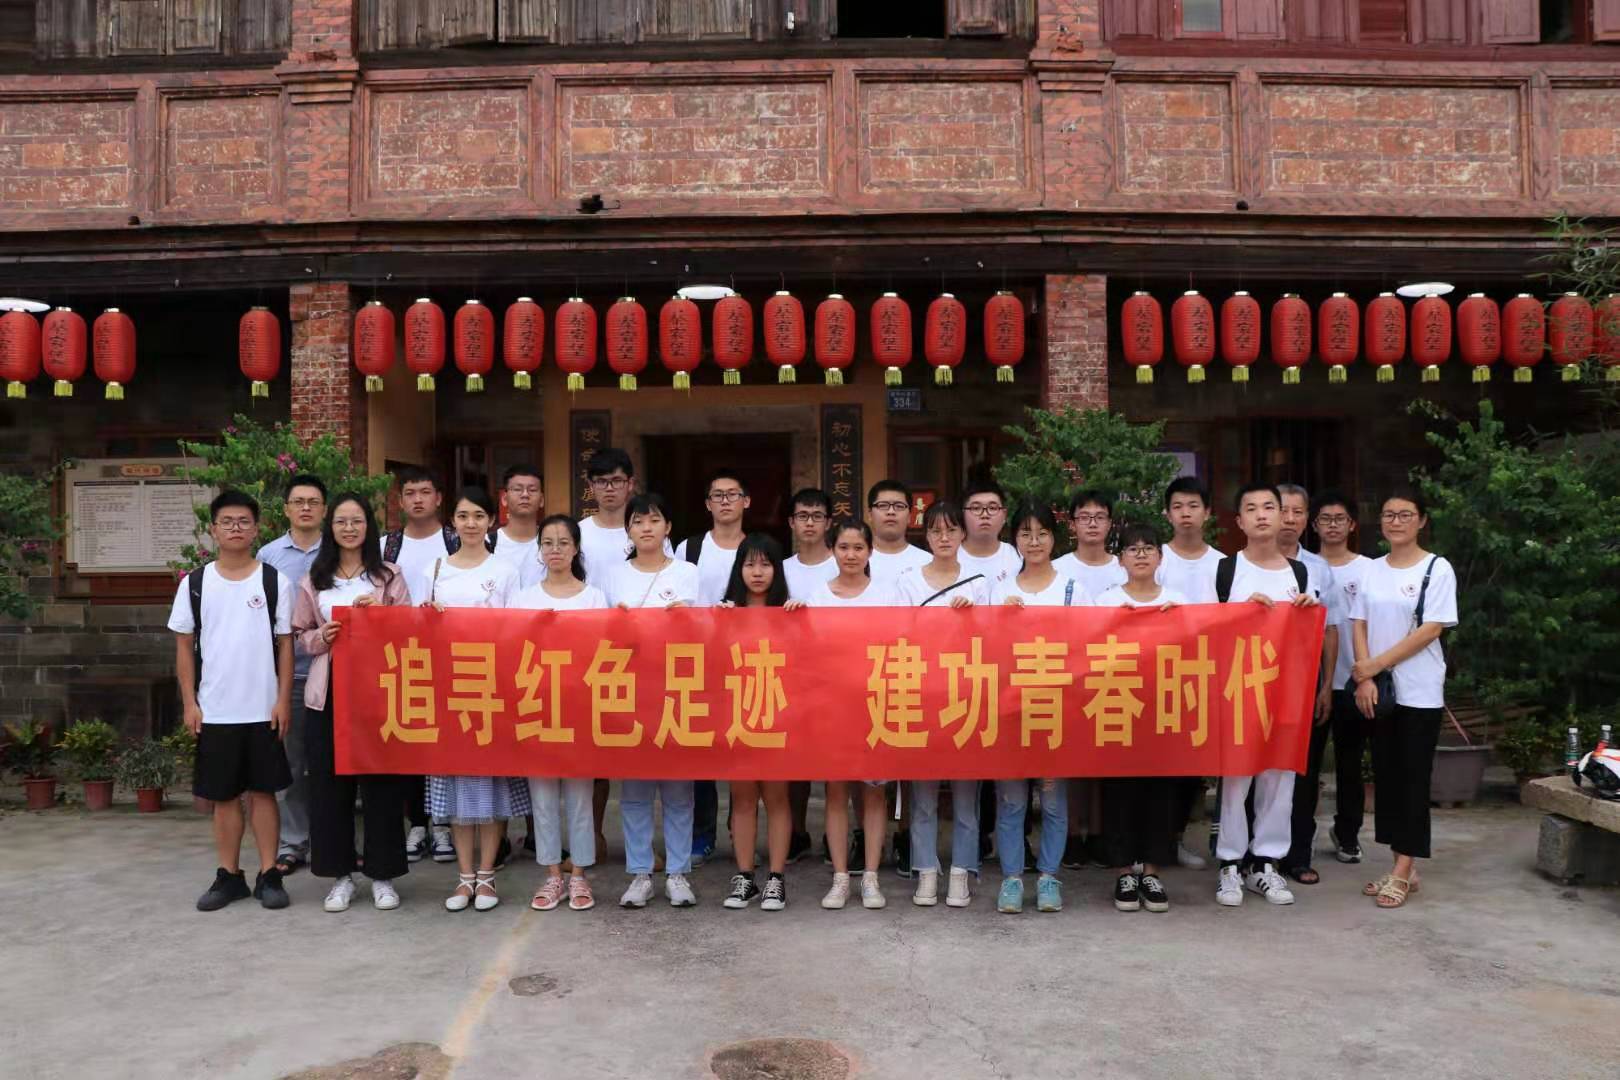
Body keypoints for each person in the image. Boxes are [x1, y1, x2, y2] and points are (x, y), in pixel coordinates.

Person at [172, 491, 295, 912]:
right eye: (227, 521)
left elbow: (285, 644)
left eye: (244, 521)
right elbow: (184, 647)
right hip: (216, 709)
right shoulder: (195, 584)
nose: (236, 528)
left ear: (256, 529)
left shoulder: (274, 581)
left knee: (264, 793)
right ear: (213, 529)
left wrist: (283, 700)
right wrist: (189, 703)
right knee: (223, 796)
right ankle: (229, 876)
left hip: (263, 708)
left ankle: (269, 874)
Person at [293, 494, 413, 913]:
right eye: (341, 521)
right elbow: (300, 634)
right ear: (331, 527)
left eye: (357, 521)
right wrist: (320, 637)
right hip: (327, 696)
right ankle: (340, 876)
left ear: (369, 527)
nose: (349, 528)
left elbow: (408, 630)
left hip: (377, 693)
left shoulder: (388, 575)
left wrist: (379, 614)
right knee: (329, 786)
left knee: (381, 785)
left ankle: (383, 875)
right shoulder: (315, 578)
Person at [1212, 483, 1322, 908]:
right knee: (1236, 778)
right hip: (1238, 690)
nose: (1262, 515)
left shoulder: (1299, 573)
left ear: (1283, 517)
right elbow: (1202, 631)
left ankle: (1266, 862)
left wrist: (1308, 612)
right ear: (1239, 521)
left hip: (1286, 691)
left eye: (1269, 507)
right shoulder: (1226, 570)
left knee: (1280, 778)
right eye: (1252, 508)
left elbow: (1309, 638)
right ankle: (1229, 863)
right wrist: (1240, 613)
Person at [420, 487, 528, 913]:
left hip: (492, 689)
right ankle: (464, 878)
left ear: (491, 521)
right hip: (447, 690)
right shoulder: (434, 569)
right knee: (457, 786)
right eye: (463, 516)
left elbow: (516, 629)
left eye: (478, 516)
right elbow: (417, 630)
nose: (470, 523)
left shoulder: (504, 570)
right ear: (453, 521)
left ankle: (487, 875)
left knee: (491, 785)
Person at [1351, 489, 1458, 909]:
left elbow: (1431, 630)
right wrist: (1365, 677)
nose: (1396, 521)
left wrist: (1375, 665)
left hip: (1419, 692)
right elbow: (1358, 623)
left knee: (1413, 781)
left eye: (1405, 514)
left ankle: (1403, 868)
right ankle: (1403, 866)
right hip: (1378, 692)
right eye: (1389, 514)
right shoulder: (1371, 569)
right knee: (1389, 779)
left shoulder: (1437, 568)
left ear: (1422, 520)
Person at [605, 492, 702, 909]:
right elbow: (600, 633)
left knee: (679, 790)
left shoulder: (688, 573)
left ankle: (678, 873)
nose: (646, 528)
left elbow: (706, 630)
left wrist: (687, 619)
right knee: (635, 791)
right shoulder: (614, 575)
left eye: (654, 520)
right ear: (628, 530)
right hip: (631, 690)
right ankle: (640, 873)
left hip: (677, 689)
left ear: (668, 528)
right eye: (638, 521)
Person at [796, 519, 896, 911]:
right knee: (836, 793)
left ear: (870, 551)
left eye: (858, 548)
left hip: (875, 704)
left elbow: (900, 645)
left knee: (873, 793)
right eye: (843, 547)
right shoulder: (817, 596)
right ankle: (840, 877)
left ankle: (870, 876)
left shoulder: (887, 594)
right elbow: (807, 651)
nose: (851, 555)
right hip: (832, 708)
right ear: (832, 551)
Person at [894, 501, 988, 908]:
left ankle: (962, 872)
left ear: (963, 534)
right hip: (923, 695)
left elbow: (993, 638)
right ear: (926, 535)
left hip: (967, 695)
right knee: (924, 797)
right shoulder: (907, 581)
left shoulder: (979, 582)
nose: (944, 537)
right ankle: (926, 872)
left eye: (951, 530)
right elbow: (899, 635)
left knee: (966, 797)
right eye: (936, 530)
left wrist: (972, 618)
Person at [510, 515, 606, 913]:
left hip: (580, 708)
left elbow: (604, 650)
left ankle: (579, 874)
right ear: (539, 550)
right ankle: (552, 874)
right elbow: (508, 649)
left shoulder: (594, 598)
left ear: (576, 548)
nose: (555, 550)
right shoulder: (523, 599)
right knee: (543, 796)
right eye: (547, 543)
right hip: (536, 706)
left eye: (563, 542)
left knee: (581, 796)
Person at [579, 447, 670, 860]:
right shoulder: (579, 533)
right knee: (593, 756)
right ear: (591, 487)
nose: (609, 488)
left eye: (617, 480)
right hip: (592, 653)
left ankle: (654, 849)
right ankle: (592, 840)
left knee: (647, 754)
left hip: (647, 660)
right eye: (601, 481)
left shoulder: (649, 530)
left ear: (630, 484)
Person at [990, 501, 1080, 914]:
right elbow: (984, 648)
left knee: (1054, 800)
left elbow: (1095, 643)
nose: (1035, 541)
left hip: (1058, 709)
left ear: (1053, 538)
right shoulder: (1000, 588)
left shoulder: (1073, 588)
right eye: (1026, 534)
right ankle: (1011, 878)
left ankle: (1048, 878)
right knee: (1011, 802)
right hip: (1011, 710)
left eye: (1042, 533)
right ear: (1015, 541)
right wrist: (1000, 620)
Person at [1093, 525, 1187, 914]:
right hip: (1117, 705)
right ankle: (1123, 873)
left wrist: (1177, 622)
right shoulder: (1105, 601)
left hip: (1163, 709)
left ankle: (1151, 871)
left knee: (1160, 793)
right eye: (1133, 549)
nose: (1142, 555)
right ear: (1120, 560)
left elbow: (1196, 649)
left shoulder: (1178, 601)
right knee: (1119, 792)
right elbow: (1087, 649)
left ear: (1161, 557)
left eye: (1149, 548)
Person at [1286, 490, 1374, 880]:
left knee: (1350, 763)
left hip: (1353, 680)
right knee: (1305, 767)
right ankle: (1298, 846)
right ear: (1315, 524)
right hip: (1311, 682)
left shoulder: (1369, 569)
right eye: (1326, 519)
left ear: (1352, 525)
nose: (1333, 525)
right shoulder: (1306, 566)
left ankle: (1348, 833)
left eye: (1340, 519)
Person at [381, 465, 463, 865]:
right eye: (410, 493)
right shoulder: (386, 546)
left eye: (425, 492)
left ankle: (443, 823)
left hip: (450, 658)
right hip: (400, 658)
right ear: (399, 501)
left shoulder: (455, 541)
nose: (418, 499)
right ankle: (416, 823)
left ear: (438, 498)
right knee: (410, 741)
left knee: (444, 741)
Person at [715, 533, 794, 912]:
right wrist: (716, 623)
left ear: (777, 570)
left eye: (765, 564)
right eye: (750, 564)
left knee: (776, 799)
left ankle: (776, 878)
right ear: (739, 570)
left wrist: (801, 619)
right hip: (737, 718)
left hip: (777, 717)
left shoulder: (790, 613)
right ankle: (744, 877)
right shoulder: (725, 613)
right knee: (743, 800)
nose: (758, 572)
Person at [677, 468, 751, 865]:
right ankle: (701, 834)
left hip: (745, 662)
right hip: (699, 662)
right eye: (717, 495)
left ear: (746, 502)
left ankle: (741, 832)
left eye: (732, 494)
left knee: (742, 750)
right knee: (701, 752)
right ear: (707, 504)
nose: (725, 501)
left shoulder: (757, 549)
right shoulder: (688, 548)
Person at [256, 474, 325, 878]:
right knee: (292, 765)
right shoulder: (268, 556)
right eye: (298, 501)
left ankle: (332, 840)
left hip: (333, 674)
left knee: (332, 764)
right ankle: (294, 842)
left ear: (324, 509)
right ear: (285, 509)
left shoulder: (337, 551)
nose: (305, 508)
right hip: (289, 677)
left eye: (313, 501)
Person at [1274, 482, 1341, 886]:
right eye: (1282, 509)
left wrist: (1327, 685)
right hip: (1259, 679)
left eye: (1298, 512)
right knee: (1258, 768)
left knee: (1305, 768)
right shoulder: (1240, 564)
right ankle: (1253, 856)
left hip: (1306, 681)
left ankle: (1298, 854)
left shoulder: (1319, 568)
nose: (1289, 519)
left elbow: (1331, 630)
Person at [1157, 477, 1220, 871]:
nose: (1186, 514)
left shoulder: (1224, 564)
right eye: (1178, 506)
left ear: (1207, 513)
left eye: (1193, 506)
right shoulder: (1156, 558)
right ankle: (1152, 844)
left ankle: (1176, 838)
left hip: (1205, 679)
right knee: (1157, 766)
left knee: (1190, 769)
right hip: (1158, 679)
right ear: (1167, 514)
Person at [781, 487, 837, 863]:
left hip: (836, 676)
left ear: (829, 522)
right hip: (792, 675)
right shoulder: (782, 568)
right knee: (794, 762)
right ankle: (798, 832)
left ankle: (839, 836)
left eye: (817, 516)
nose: (810, 523)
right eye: (803, 516)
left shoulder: (843, 562)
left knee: (837, 761)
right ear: (791, 522)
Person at [1053, 489, 1127, 598]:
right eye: (1084, 518)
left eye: (1100, 517)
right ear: (1072, 524)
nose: (1093, 524)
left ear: (1109, 524)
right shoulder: (1055, 570)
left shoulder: (1126, 570)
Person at [487, 463, 546, 590]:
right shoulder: (487, 543)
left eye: (532, 490)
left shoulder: (552, 543)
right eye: (517, 489)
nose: (525, 495)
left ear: (541, 500)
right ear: (504, 499)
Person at [865, 479, 929, 589]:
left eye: (899, 506)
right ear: (870, 514)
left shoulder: (927, 561)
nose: (891, 512)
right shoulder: (852, 561)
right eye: (883, 505)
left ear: (909, 516)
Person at [956, 481, 1021, 589]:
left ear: (1004, 515)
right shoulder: (949, 557)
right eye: (976, 508)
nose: (985, 515)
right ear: (963, 514)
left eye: (992, 508)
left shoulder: (1018, 558)